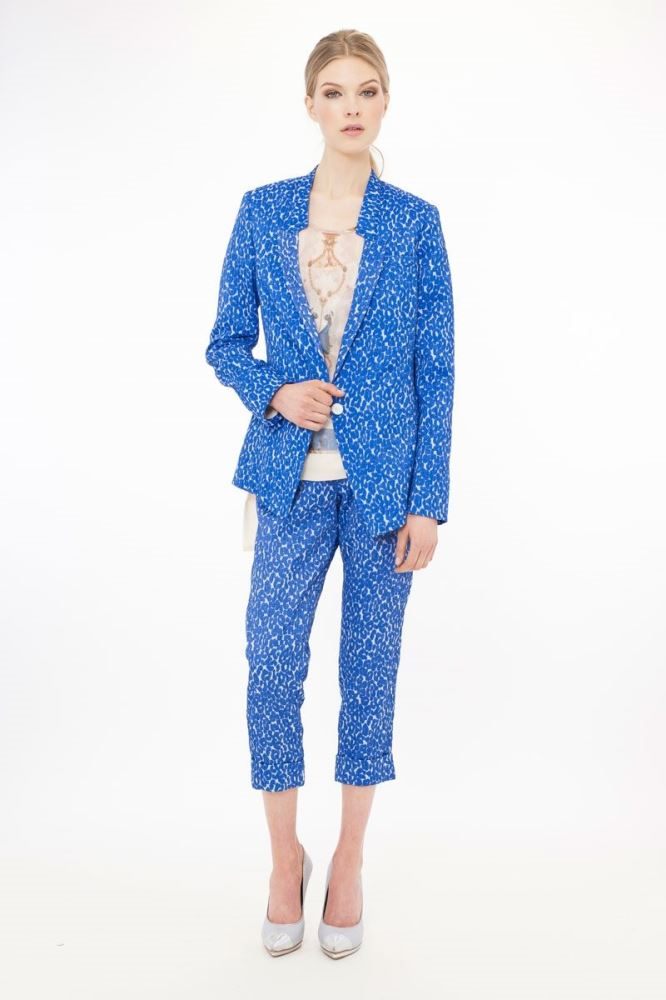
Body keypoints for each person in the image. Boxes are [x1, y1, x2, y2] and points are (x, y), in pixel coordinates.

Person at [204, 28, 455, 959]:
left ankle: (348, 860)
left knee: (368, 673)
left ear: (385, 103)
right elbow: (225, 341)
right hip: (288, 481)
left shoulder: (415, 222)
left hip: (386, 490)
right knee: (272, 665)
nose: (352, 107)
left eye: (368, 90)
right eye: (335, 91)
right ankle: (286, 861)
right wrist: (275, 388)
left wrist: (430, 500)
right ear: (309, 104)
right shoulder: (263, 211)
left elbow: (437, 368)